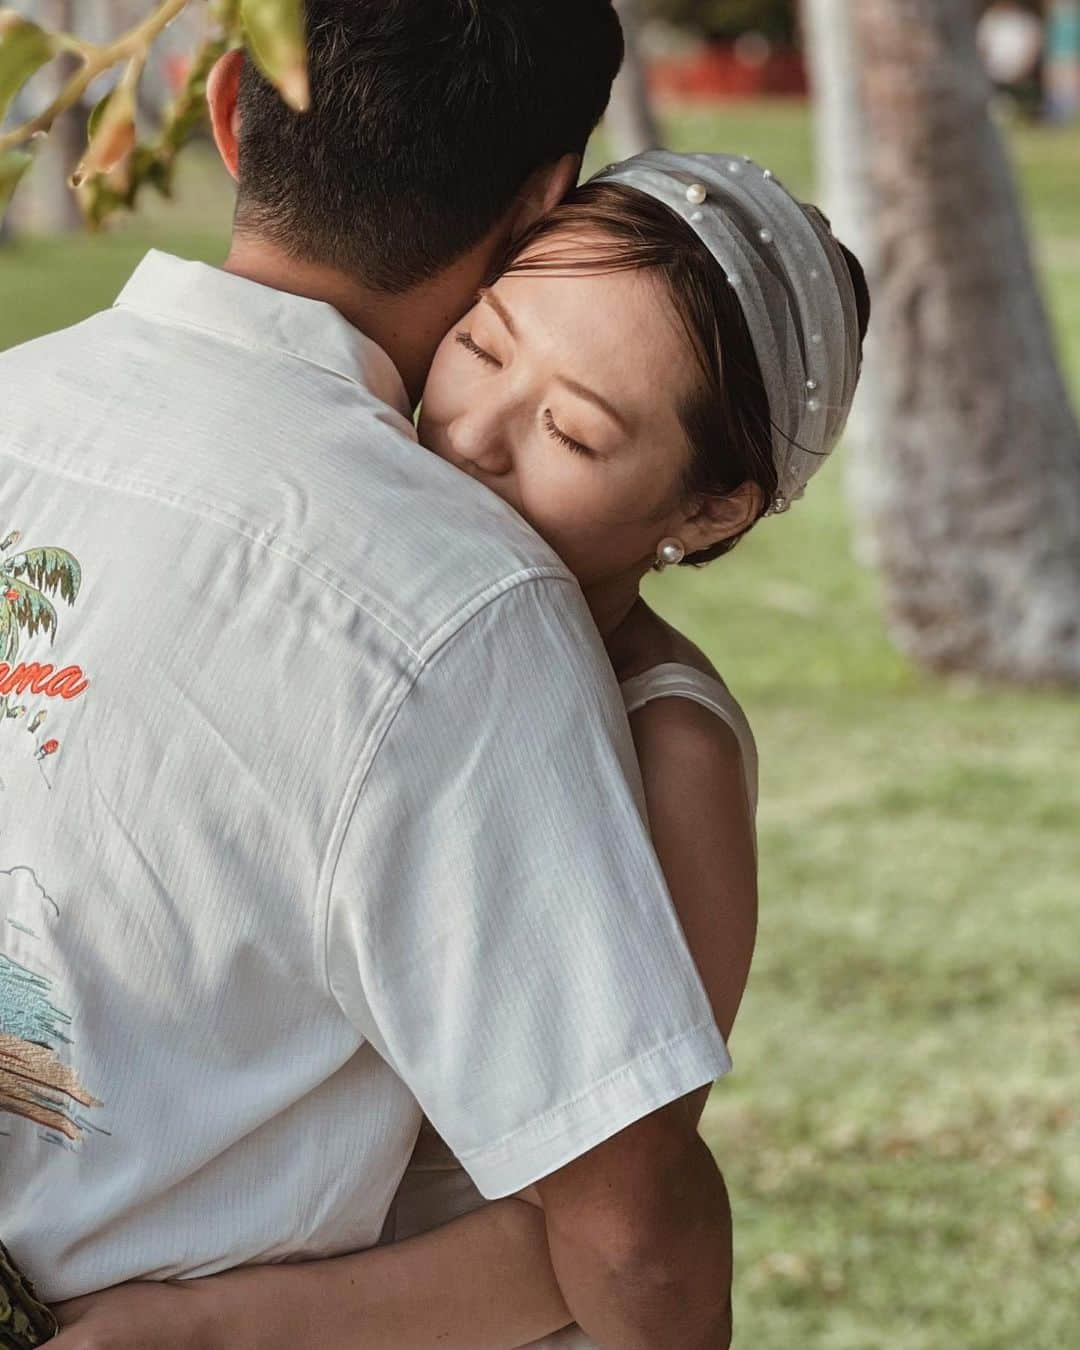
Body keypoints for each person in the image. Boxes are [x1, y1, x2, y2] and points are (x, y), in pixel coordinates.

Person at [44, 149, 870, 1348]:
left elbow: (597, 1223)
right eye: (483, 346)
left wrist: (215, 1328)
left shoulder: (669, 749)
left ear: (709, 510)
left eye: (573, 433)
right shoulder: (343, 580)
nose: (472, 432)